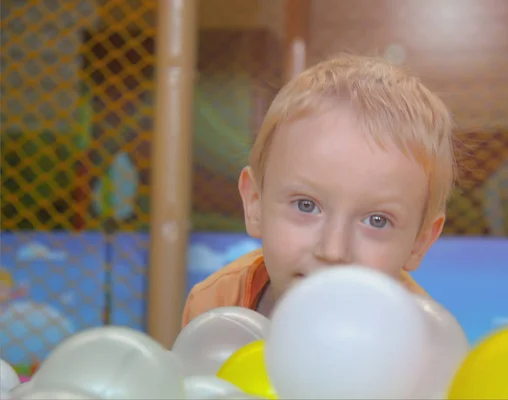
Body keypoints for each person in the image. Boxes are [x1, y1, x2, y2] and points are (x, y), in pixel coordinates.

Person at [182, 54, 456, 327]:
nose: (333, 250)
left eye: (377, 220)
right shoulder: (215, 308)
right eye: (306, 205)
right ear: (255, 203)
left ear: (420, 241)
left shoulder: (421, 346)